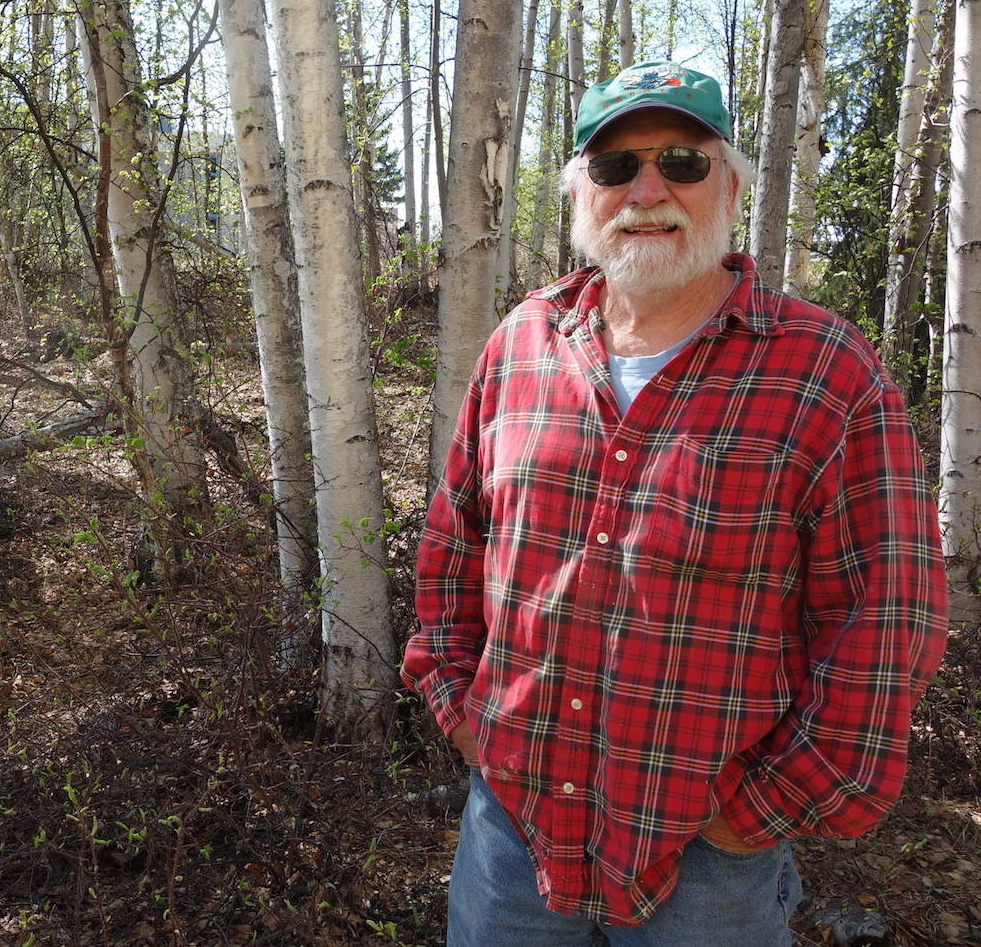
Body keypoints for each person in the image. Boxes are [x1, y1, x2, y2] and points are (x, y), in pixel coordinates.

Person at [402, 61, 948, 944]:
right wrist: (464, 716)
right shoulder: (522, 345)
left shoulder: (826, 372)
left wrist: (770, 804)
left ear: (729, 183)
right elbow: (454, 546)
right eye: (615, 167)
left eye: (681, 162)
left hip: (707, 867)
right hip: (511, 834)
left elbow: (886, 618)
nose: (646, 190)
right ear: (581, 192)